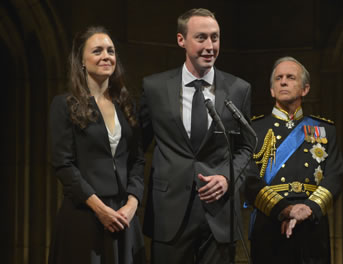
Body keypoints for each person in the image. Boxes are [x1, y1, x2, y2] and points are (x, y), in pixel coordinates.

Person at [139, 8, 254, 264]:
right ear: (182, 40)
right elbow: (138, 147)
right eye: (201, 37)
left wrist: (227, 178)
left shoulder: (238, 89)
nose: (210, 46)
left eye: (215, 37)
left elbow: (247, 149)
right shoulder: (154, 88)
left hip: (220, 213)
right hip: (169, 211)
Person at [48, 26, 145, 264]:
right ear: (81, 60)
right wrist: (100, 210)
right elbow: (63, 165)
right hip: (85, 214)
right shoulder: (64, 105)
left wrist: (132, 204)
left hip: (123, 215)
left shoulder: (126, 105)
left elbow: (137, 160)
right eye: (97, 51)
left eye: (111, 51)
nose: (106, 56)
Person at [245, 56, 343, 264]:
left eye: (290, 77)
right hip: (270, 222)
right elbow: (249, 178)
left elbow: (335, 175)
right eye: (278, 78)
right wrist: (285, 210)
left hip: (312, 224)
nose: (283, 82)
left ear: (305, 89)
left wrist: (308, 209)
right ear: (272, 90)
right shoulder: (254, 129)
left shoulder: (325, 130)